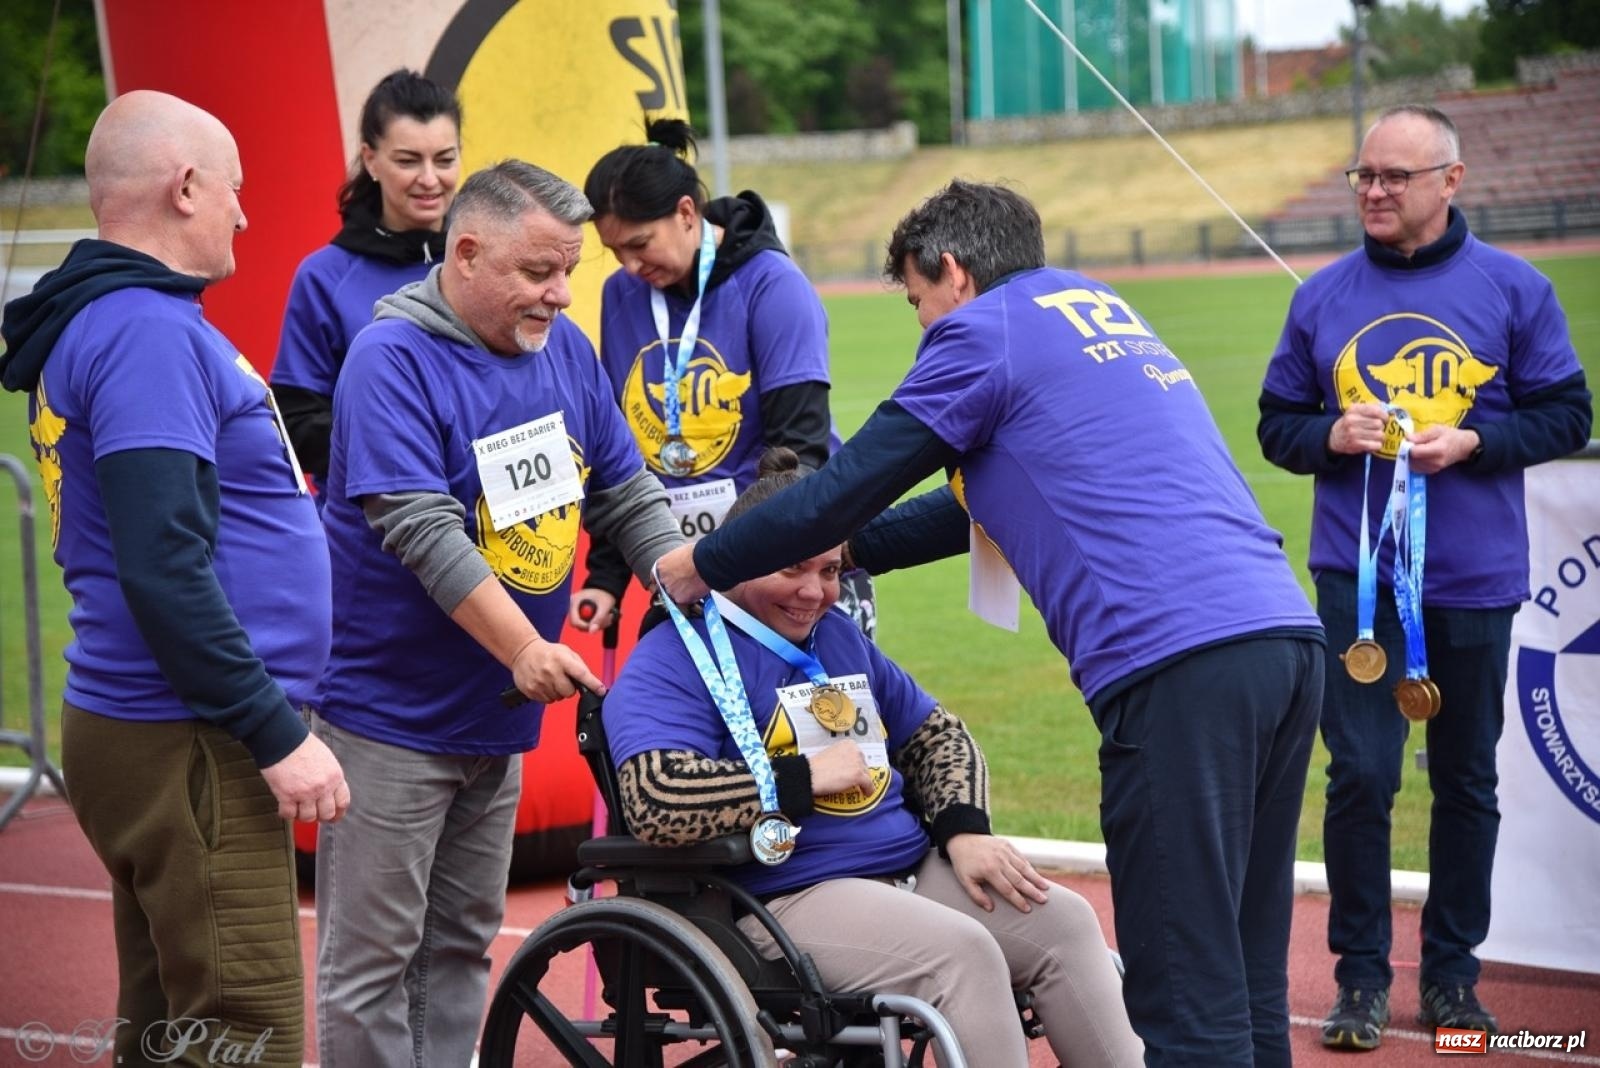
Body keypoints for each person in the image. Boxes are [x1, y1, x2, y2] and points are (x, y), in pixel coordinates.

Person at [654, 180, 1327, 1066]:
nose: (921, 328)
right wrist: (843, 558)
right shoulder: (1090, 308)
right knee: (1241, 965)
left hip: (1174, 665)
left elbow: (837, 493)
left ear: (953, 272)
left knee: (1181, 984)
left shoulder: (982, 332)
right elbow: (976, 505)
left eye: (916, 301)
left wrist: (706, 561)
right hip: (1281, 636)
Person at [309, 159, 683, 1067]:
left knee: (460, 946)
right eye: (538, 273)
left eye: (568, 273)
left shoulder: (563, 349)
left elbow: (625, 491)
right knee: (371, 966)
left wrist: (692, 580)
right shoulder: (391, 359)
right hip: (388, 719)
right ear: (467, 253)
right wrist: (523, 647)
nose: (561, 294)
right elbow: (421, 528)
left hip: (495, 720)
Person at [0, 91, 348, 1066]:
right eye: (235, 191)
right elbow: (162, 564)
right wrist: (274, 731)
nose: (245, 214)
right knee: (246, 1036)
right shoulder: (144, 330)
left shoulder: (111, 320)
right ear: (186, 186)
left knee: (170, 1032)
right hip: (188, 731)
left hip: (154, 722)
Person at [606, 447, 1143, 1067]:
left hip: (907, 870)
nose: (816, 591)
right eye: (793, 568)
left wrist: (964, 831)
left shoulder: (836, 634)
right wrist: (798, 779)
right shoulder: (675, 655)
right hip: (786, 895)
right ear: (738, 560)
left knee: (1064, 921)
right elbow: (656, 798)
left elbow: (938, 736)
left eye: (832, 570)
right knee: (962, 953)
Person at [1257, 104, 1592, 1051]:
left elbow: (1566, 414)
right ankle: (1360, 979)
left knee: (1466, 780)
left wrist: (1478, 439)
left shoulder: (1516, 290)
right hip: (1354, 583)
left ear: (1450, 181)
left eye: (1394, 176)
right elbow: (1276, 421)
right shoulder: (1321, 295)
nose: (1372, 190)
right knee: (1359, 778)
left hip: (1475, 580)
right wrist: (1329, 432)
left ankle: (1452, 977)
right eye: (1363, 175)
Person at [568, 117, 875, 639]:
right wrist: (607, 577)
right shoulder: (620, 294)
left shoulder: (773, 285)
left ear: (686, 212)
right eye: (615, 250)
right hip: (694, 574)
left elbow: (796, 456)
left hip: (785, 567)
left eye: (640, 244)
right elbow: (618, 449)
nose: (629, 265)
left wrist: (743, 568)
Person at [271, 68, 461, 495]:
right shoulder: (326, 276)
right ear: (371, 160)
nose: (430, 179)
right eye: (408, 160)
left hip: (489, 536)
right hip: (370, 539)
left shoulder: (488, 262)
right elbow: (295, 424)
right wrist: (406, 446)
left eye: (445, 159)